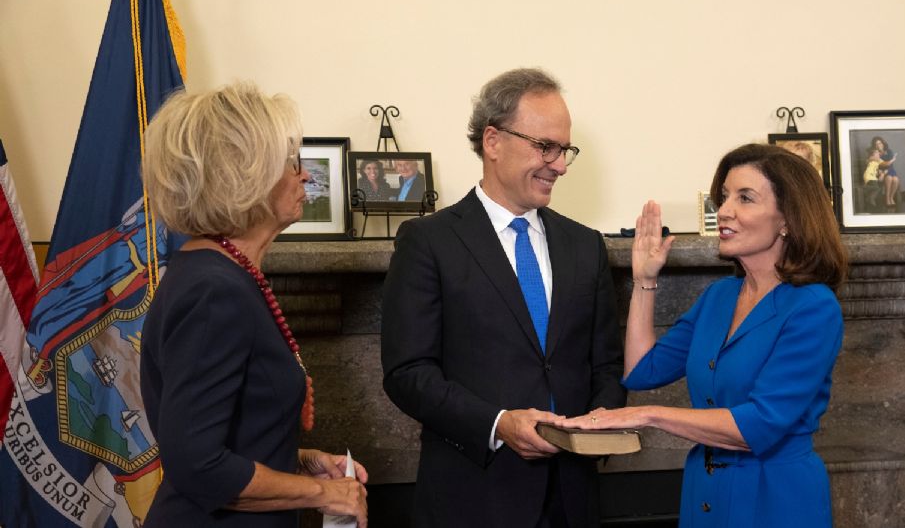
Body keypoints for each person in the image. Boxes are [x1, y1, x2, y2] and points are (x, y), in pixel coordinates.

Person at [381, 68, 625, 527]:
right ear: (493, 142)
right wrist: (497, 423)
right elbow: (407, 372)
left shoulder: (585, 245)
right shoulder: (428, 241)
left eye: (565, 149)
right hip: (474, 498)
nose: (561, 164)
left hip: (573, 500)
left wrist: (597, 427)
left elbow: (606, 365)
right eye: (545, 147)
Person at [560, 143, 848, 527]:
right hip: (704, 490)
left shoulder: (814, 307)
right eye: (724, 196)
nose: (724, 210)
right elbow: (643, 371)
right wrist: (645, 279)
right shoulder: (719, 297)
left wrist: (647, 415)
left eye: (745, 198)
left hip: (775, 496)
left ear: (788, 220)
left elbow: (758, 426)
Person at [140, 83, 368, 527]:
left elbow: (232, 439)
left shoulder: (223, 272)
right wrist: (324, 493)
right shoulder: (214, 289)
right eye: (290, 164)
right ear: (242, 176)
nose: (304, 176)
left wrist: (301, 463)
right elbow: (199, 465)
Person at [871, 136, 900, 208]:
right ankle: (887, 199)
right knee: (889, 178)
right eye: (876, 144)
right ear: (875, 146)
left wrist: (888, 165)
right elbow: (878, 165)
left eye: (880, 143)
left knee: (896, 179)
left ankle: (891, 197)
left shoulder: (889, 151)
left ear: (883, 143)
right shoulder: (875, 154)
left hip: (890, 170)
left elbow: (890, 165)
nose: (878, 145)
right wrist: (882, 173)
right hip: (881, 172)